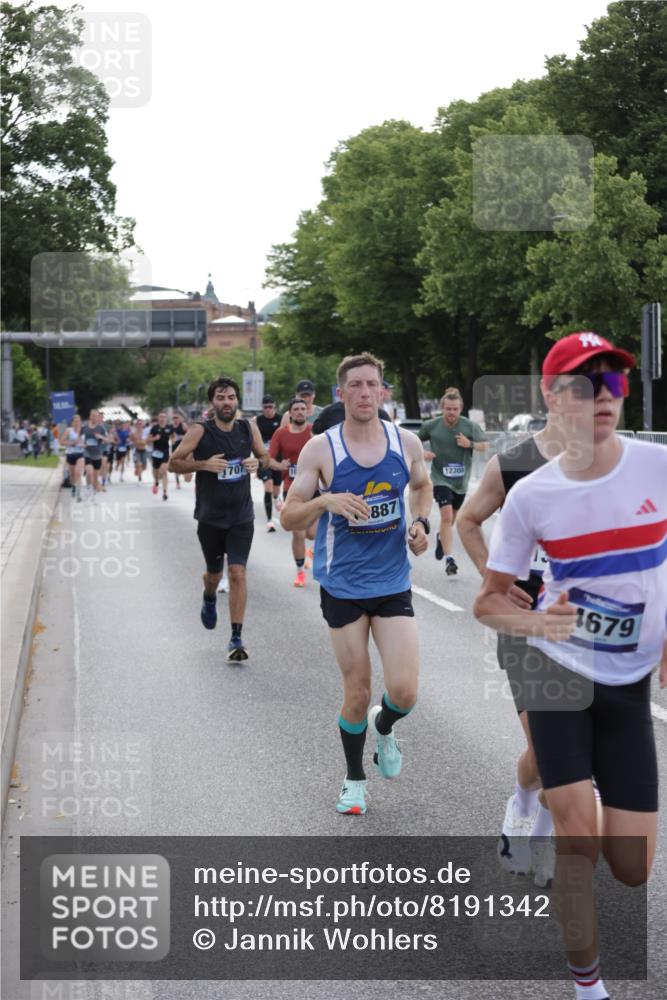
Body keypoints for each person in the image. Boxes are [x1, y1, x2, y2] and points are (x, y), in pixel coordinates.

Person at [474, 331, 667, 1000]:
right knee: (578, 846)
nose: (604, 396)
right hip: (555, 673)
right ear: (554, 399)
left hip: (626, 687)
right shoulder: (530, 492)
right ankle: (589, 988)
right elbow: (488, 603)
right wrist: (531, 617)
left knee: (634, 867)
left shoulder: (656, 467)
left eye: (613, 381)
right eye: (585, 384)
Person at [281, 352, 432, 815]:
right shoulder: (321, 449)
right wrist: (326, 501)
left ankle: (383, 728)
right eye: (356, 386)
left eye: (373, 385)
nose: (365, 393)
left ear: (383, 392)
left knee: (404, 692)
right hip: (343, 586)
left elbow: (422, 486)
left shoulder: (404, 441)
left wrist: (422, 524)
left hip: (391, 581)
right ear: (341, 393)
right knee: (357, 691)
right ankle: (353, 779)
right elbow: (289, 515)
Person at [457, 389, 565, 883]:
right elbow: (467, 519)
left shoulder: (612, 468)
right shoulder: (517, 461)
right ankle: (520, 817)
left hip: (583, 628)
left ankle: (540, 834)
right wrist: (494, 583)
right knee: (549, 747)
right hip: (522, 626)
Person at [168, 376, 268, 662]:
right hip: (210, 517)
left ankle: (236, 637)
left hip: (241, 517)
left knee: (237, 572)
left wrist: (255, 463)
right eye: (221, 398)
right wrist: (203, 464)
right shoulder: (201, 431)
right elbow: (175, 462)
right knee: (214, 574)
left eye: (231, 398)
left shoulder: (248, 428)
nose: (227, 403)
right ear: (213, 402)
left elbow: (264, 457)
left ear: (237, 401)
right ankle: (209, 595)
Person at [417, 387, 488, 576]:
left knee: (450, 520)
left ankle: (442, 536)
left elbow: (486, 445)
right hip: (440, 478)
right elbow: (413, 444)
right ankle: (450, 559)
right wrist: (423, 453)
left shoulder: (470, 427)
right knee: (447, 517)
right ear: (442, 408)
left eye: (455, 409)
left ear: (461, 408)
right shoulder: (431, 426)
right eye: (448, 409)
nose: (451, 413)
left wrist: (470, 444)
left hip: (461, 482)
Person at [269, 398, 313, 586]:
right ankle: (300, 572)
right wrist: (280, 465)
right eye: (296, 409)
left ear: (307, 412)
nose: (300, 412)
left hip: (315, 488)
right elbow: (269, 459)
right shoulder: (281, 433)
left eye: (303, 409)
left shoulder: (314, 431)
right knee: (299, 533)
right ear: (290, 413)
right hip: (292, 489)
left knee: (312, 534)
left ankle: (312, 551)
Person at [253, 394, 283, 530]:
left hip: (278, 459)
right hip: (264, 459)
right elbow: (252, 442)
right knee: (268, 486)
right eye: (265, 407)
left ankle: (277, 498)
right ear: (262, 408)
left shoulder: (281, 419)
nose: (268, 410)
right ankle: (269, 521)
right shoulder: (257, 421)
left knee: (276, 489)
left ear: (275, 407)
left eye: (270, 407)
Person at [80, 410, 108, 498]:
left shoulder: (101, 428)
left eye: (96, 416)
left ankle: (93, 494)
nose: (94, 417)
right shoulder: (84, 428)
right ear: (90, 416)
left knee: (95, 477)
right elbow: (80, 440)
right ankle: (89, 488)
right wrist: (82, 444)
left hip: (97, 455)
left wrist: (101, 437)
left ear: (97, 417)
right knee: (89, 472)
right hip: (87, 453)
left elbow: (107, 440)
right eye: (93, 416)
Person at [60, 414, 85, 502]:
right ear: (72, 422)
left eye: (78, 421)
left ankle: (78, 494)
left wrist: (84, 445)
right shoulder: (68, 431)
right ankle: (74, 486)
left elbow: (86, 443)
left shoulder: (83, 431)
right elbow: (62, 442)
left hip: (80, 454)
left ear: (80, 422)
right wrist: (71, 443)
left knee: (78, 473)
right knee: (73, 476)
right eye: (75, 421)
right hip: (70, 455)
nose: (77, 423)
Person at [148, 411, 171, 500]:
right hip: (156, 453)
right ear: (158, 418)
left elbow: (173, 436)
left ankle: (165, 492)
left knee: (164, 471)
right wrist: (154, 438)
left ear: (166, 418)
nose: (162, 418)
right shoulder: (154, 428)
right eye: (160, 417)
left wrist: (174, 439)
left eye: (164, 417)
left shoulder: (169, 428)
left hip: (165, 452)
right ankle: (156, 481)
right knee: (156, 470)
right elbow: (148, 440)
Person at [170, 413, 189, 489]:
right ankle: (177, 482)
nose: (175, 419)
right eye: (174, 418)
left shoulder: (183, 425)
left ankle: (185, 474)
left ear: (179, 418)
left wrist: (181, 437)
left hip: (183, 447)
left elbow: (189, 434)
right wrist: (173, 439)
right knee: (175, 465)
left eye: (177, 418)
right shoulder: (171, 427)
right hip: (174, 448)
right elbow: (170, 437)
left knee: (184, 463)